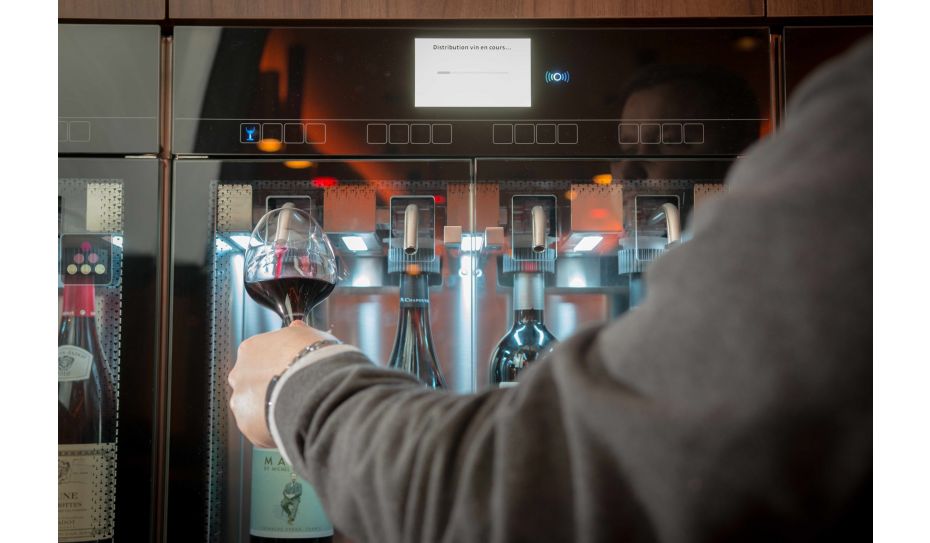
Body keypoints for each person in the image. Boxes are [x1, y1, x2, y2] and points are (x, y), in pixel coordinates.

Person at [229, 39, 872, 542]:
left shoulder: (868, 135)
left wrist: (299, 383)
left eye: (669, 143)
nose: (629, 173)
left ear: (751, 155)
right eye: (624, 148)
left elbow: (525, 491)